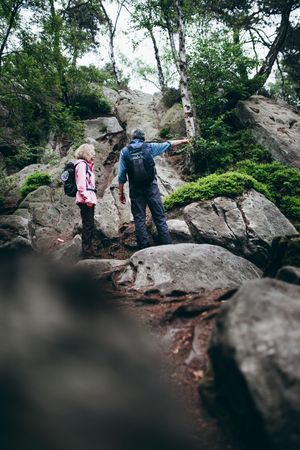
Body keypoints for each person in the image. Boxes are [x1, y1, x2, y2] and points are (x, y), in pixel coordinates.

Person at [118, 128, 189, 249]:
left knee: (139, 218)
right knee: (159, 216)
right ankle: (167, 245)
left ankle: (144, 248)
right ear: (143, 138)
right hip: (151, 186)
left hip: (135, 189)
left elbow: (121, 175)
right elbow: (168, 144)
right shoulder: (149, 147)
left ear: (132, 138)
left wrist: (121, 193)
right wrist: (183, 141)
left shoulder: (125, 152)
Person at [74, 143, 97, 258]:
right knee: (88, 225)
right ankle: (86, 252)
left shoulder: (86, 165)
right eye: (92, 152)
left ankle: (89, 250)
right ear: (87, 153)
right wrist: (87, 199)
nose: (94, 155)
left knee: (90, 224)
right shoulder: (82, 165)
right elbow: (81, 185)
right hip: (85, 200)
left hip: (88, 199)